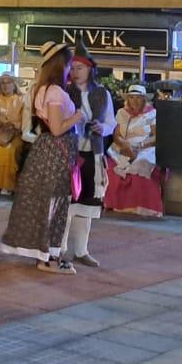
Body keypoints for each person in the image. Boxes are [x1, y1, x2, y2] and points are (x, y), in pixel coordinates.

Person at [0, 42, 83, 274]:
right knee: (52, 203)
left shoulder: (43, 89)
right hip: (55, 152)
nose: (71, 68)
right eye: (68, 64)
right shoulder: (54, 92)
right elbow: (56, 129)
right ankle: (46, 258)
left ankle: (48, 254)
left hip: (50, 151)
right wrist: (78, 116)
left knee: (50, 203)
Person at [63, 50, 114, 268]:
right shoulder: (65, 92)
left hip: (93, 153)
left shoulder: (102, 93)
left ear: (90, 70)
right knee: (67, 203)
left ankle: (81, 250)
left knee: (86, 205)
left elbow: (111, 122)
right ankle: (61, 249)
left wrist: (103, 128)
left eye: (80, 68)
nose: (76, 72)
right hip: (70, 153)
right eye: (73, 68)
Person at [104, 84, 165, 217]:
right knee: (112, 167)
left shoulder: (152, 113)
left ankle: (141, 206)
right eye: (131, 97)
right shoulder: (122, 113)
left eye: (138, 98)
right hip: (123, 146)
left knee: (140, 167)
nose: (134, 101)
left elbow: (157, 136)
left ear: (144, 99)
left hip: (145, 146)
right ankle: (117, 204)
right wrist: (124, 145)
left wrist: (140, 145)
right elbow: (116, 135)